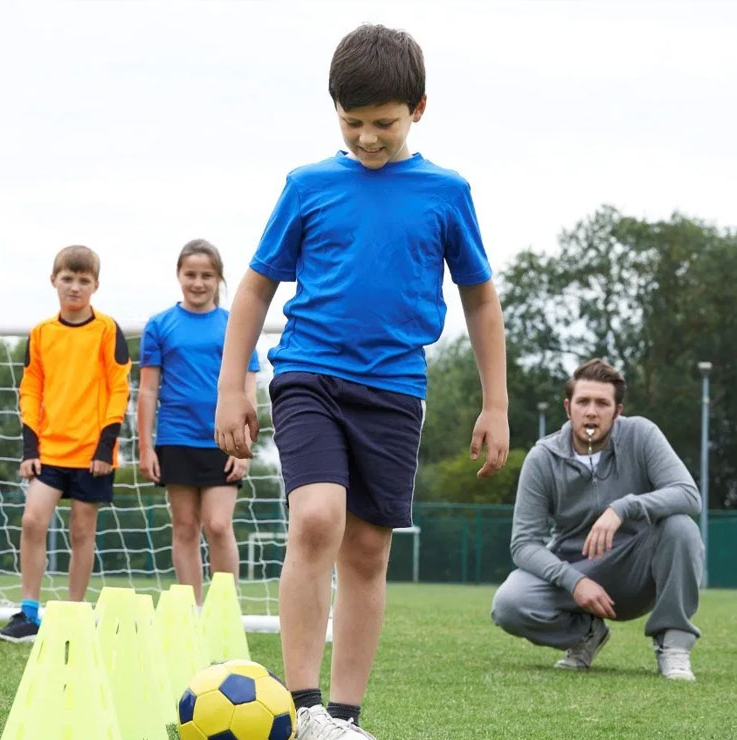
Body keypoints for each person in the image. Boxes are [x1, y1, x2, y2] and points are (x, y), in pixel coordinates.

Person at [215, 24, 509, 738]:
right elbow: (254, 287)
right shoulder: (308, 185)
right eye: (352, 123)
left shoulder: (446, 193)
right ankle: (303, 706)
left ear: (419, 109)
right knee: (317, 518)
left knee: (369, 550)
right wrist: (232, 385)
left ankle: (343, 717)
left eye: (384, 123)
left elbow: (479, 298)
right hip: (309, 373)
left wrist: (495, 403)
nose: (368, 138)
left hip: (395, 390)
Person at [491, 359, 704, 681]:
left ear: (617, 411)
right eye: (583, 402)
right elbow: (524, 544)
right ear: (568, 408)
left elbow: (688, 495)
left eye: (602, 403)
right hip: (576, 569)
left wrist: (623, 508)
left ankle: (673, 644)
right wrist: (573, 581)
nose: (591, 412)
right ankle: (586, 634)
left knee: (681, 526)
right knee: (509, 604)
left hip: (637, 569)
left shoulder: (642, 435)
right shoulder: (543, 457)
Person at [0, 245, 131, 643]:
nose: (74, 287)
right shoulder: (42, 333)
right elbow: (30, 390)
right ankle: (28, 613)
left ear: (95, 285)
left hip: (92, 453)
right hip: (50, 450)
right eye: (67, 279)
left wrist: (106, 446)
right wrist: (30, 449)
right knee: (32, 521)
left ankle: (75, 614)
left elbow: (119, 388)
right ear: (53, 280)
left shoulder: (107, 330)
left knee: (82, 532)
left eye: (83, 280)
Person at [137, 239, 260, 606]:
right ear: (179, 275)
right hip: (176, 438)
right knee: (185, 527)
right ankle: (191, 612)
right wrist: (145, 447)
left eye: (207, 275)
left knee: (218, 525)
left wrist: (243, 446)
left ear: (218, 278)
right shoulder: (160, 325)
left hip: (223, 439)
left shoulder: (234, 324)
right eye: (190, 274)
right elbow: (148, 391)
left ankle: (224, 611)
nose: (198, 282)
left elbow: (248, 388)